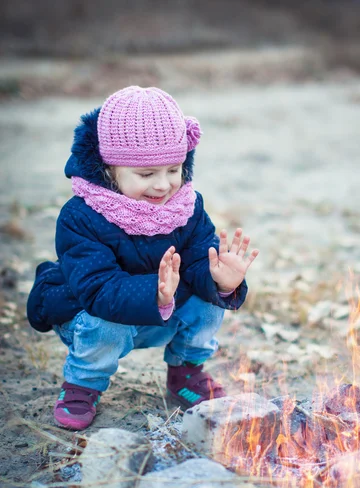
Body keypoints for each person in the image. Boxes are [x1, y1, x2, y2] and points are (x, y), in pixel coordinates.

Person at [27, 86, 258, 430]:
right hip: (90, 312)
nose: (163, 185)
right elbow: (97, 288)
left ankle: (185, 372)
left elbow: (197, 260)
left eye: (173, 169)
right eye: (146, 174)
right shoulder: (82, 216)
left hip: (160, 308)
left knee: (210, 302)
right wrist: (156, 293)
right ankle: (82, 385)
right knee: (103, 325)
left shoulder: (187, 206)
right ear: (109, 169)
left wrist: (222, 282)